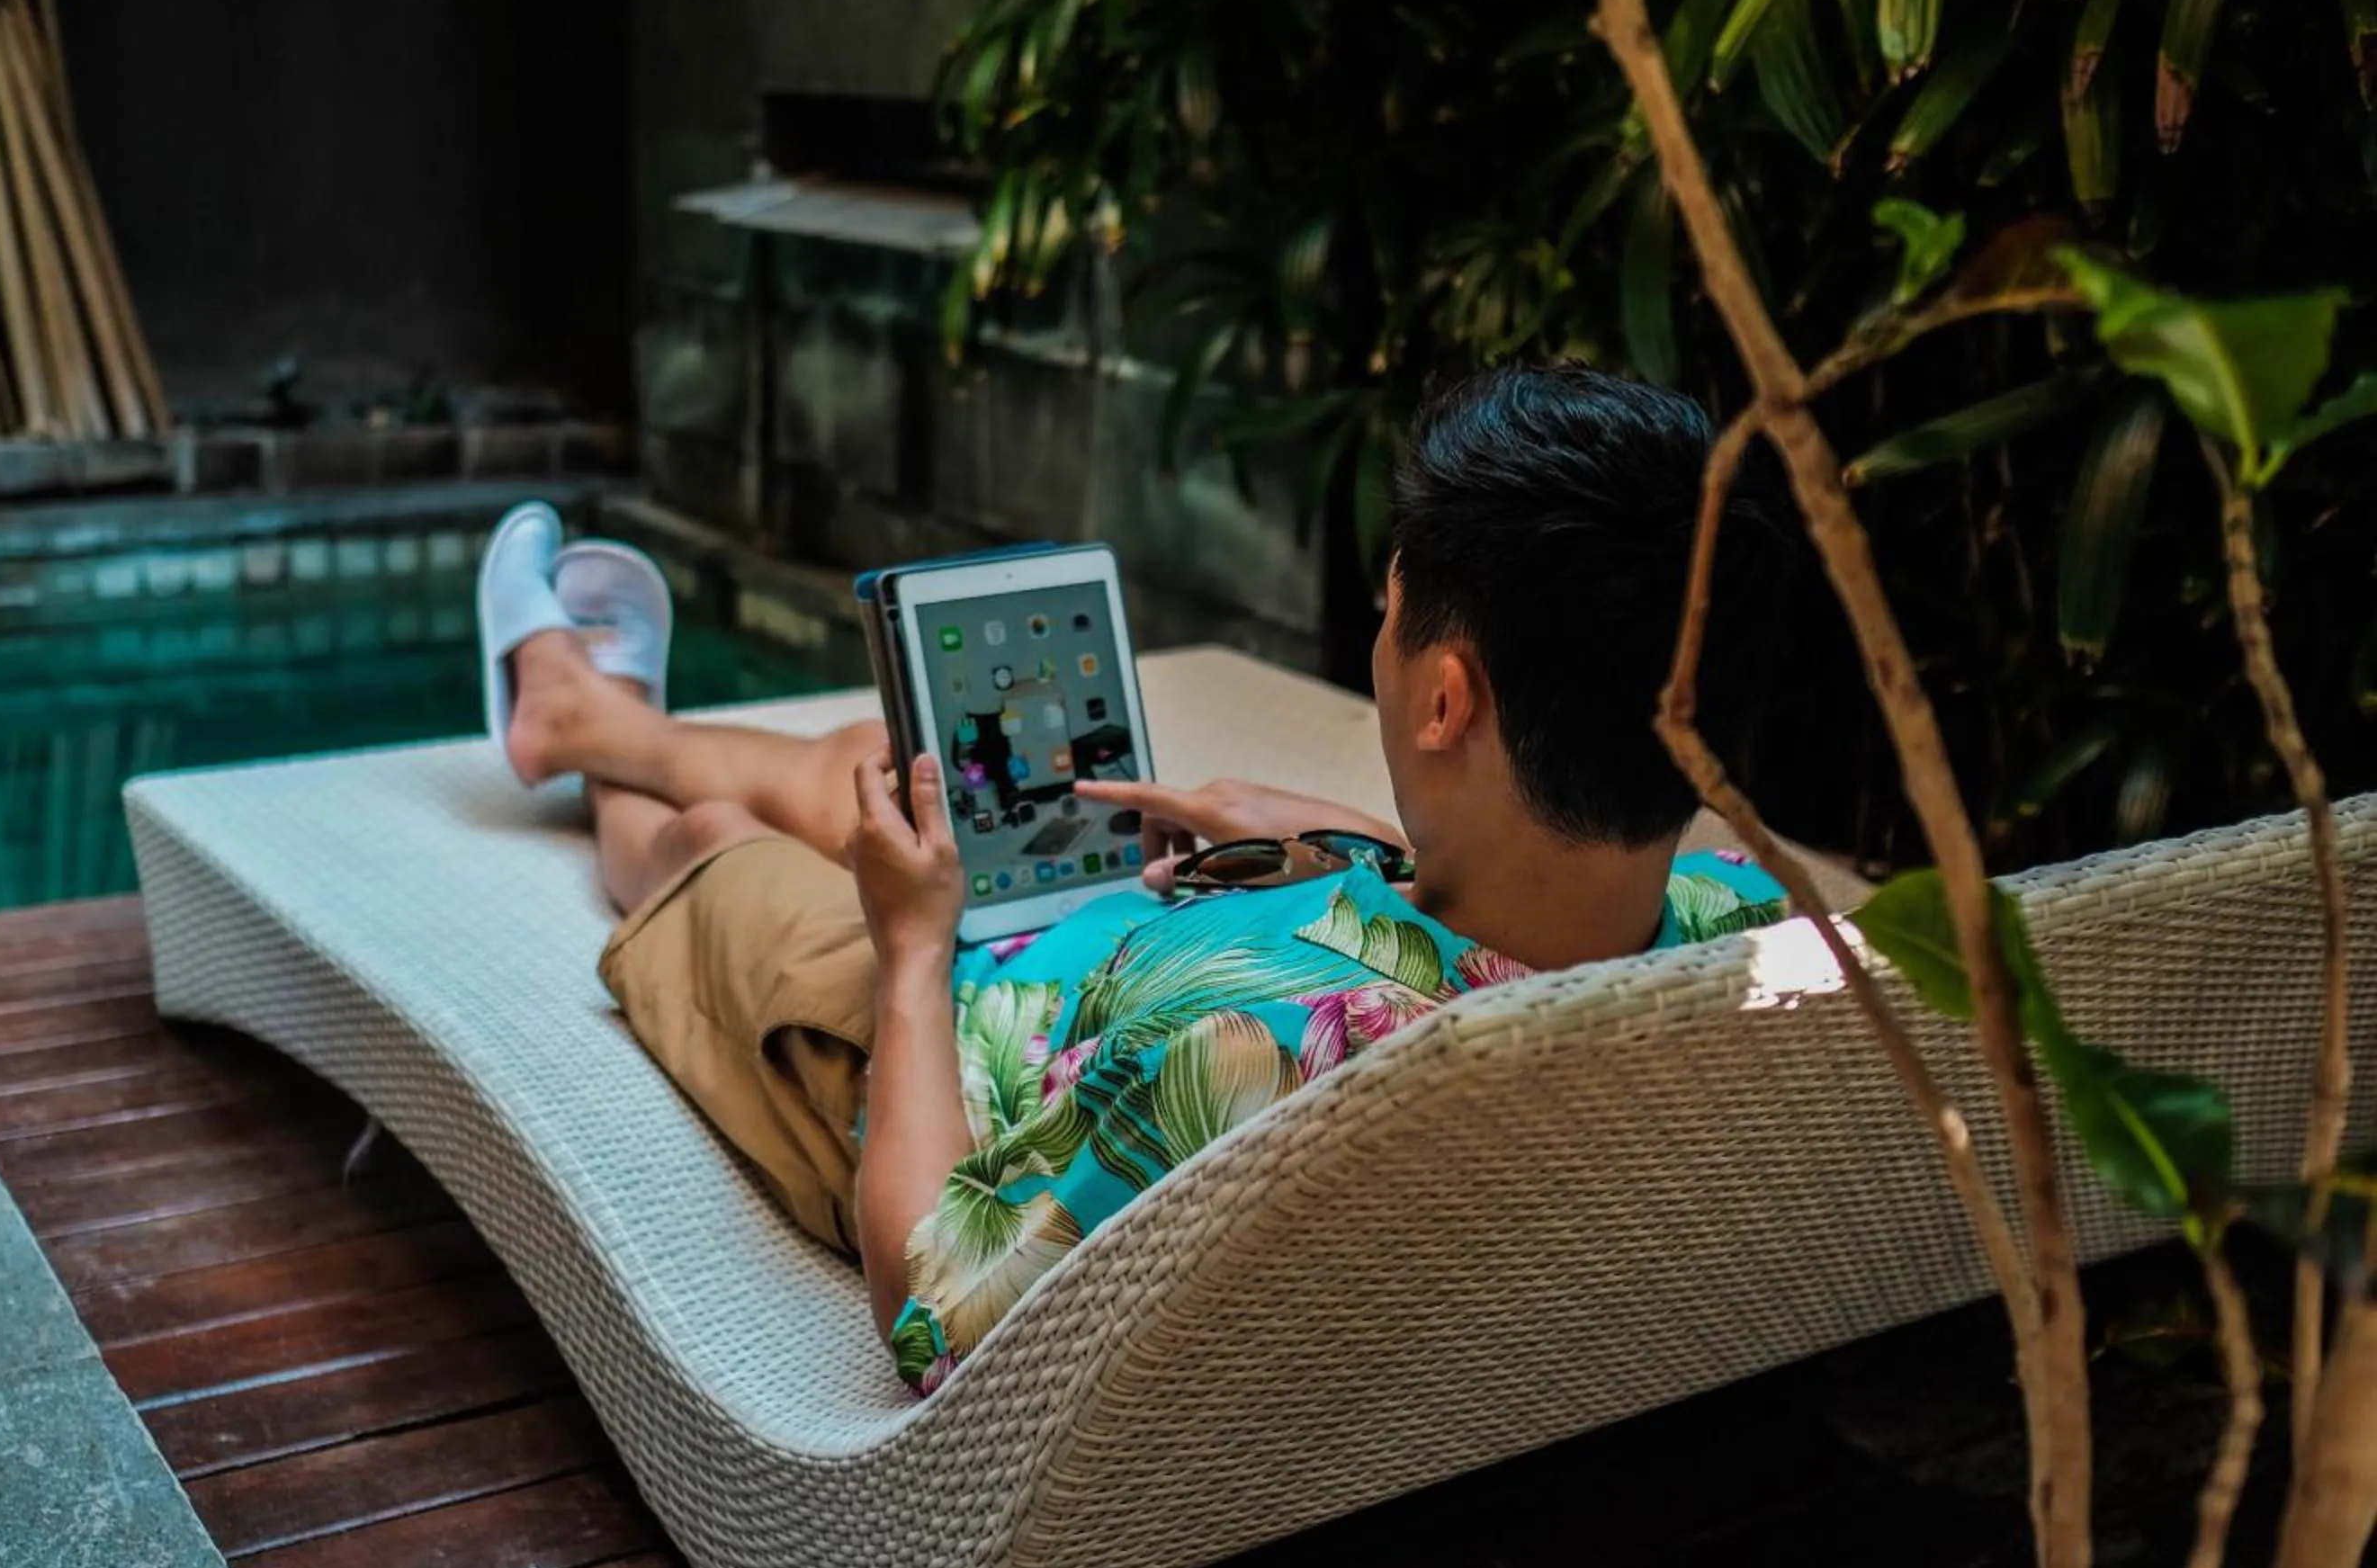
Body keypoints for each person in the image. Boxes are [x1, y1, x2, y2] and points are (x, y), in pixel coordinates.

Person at [479, 363, 1797, 1395]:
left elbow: (937, 1306)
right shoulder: (1737, 929)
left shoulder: (1236, 1056)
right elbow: (1555, 934)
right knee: (893, 771)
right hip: (1142, 937)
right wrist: (1335, 839)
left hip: (930, 1069)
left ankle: (596, 735)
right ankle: (595, 720)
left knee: (715, 839)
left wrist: (915, 952)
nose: (1387, 647)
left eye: (1391, 618)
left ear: (1447, 700)